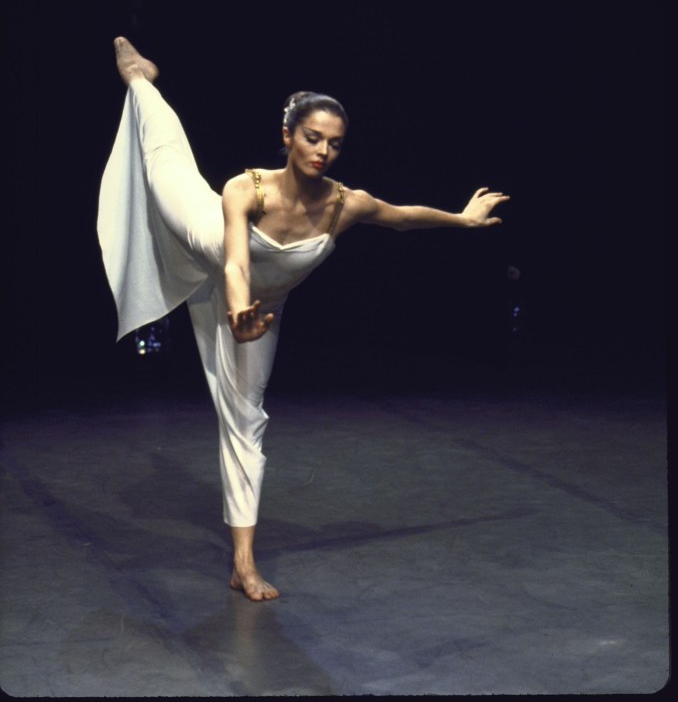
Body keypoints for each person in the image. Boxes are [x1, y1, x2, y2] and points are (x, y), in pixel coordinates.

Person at [98, 37, 509, 601]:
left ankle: (243, 563)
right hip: (212, 240)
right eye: (313, 138)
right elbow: (238, 262)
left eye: (334, 144)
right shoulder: (249, 188)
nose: (323, 152)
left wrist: (462, 220)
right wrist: (238, 307)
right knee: (166, 164)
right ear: (288, 136)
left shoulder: (346, 205)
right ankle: (141, 80)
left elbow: (404, 218)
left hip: (263, 311)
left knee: (246, 421)